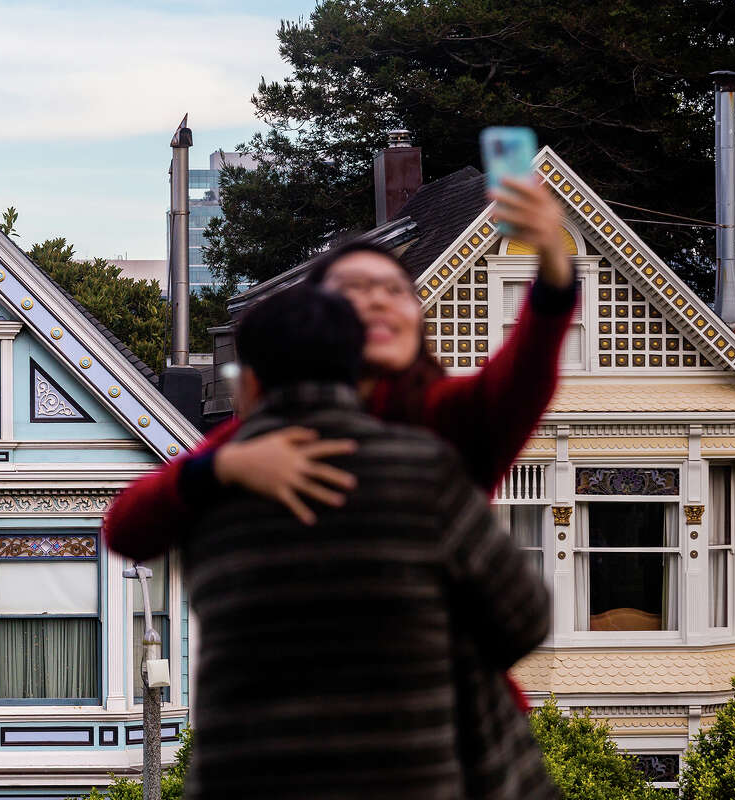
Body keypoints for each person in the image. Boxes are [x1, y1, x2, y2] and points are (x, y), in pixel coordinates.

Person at [180, 285, 554, 800]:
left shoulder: (213, 494)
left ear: (249, 385)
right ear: (361, 376)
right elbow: (525, 619)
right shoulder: (423, 470)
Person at [104, 176, 577, 557]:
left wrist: (554, 266)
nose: (376, 300)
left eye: (394, 290)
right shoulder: (280, 428)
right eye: (354, 289)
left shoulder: (444, 414)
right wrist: (223, 468)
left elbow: (523, 376)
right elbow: (127, 530)